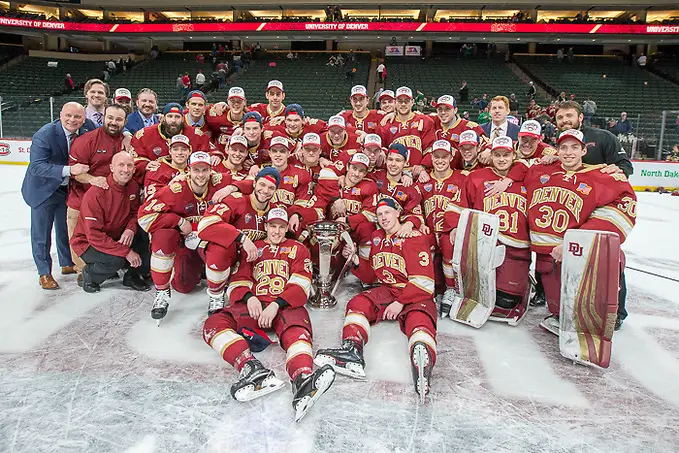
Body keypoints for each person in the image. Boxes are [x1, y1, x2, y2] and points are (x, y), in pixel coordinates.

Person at [202, 207, 335, 421]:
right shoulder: (255, 249)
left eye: (281, 227)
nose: (276, 231)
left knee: (298, 330)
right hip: (255, 305)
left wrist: (276, 304)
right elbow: (238, 280)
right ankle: (251, 369)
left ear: (286, 229)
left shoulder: (298, 249)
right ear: (266, 227)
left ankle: (303, 379)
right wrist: (249, 298)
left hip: (284, 305)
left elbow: (302, 283)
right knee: (214, 323)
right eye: (272, 226)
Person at [314, 197, 437, 402]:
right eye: (379, 215)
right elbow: (373, 275)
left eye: (387, 213)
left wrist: (401, 302)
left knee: (419, 320)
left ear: (398, 213)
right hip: (388, 290)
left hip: (414, 294)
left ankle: (422, 363)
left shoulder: (413, 237)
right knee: (358, 303)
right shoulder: (378, 237)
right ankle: (352, 351)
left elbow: (424, 282)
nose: (383, 218)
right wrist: (355, 259)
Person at [525, 129, 636, 333]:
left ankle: (608, 314)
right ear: (556, 150)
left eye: (575, 147)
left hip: (577, 256)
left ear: (584, 150)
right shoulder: (540, 171)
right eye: (563, 147)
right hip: (546, 259)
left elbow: (626, 203)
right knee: (559, 309)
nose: (568, 152)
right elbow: (513, 166)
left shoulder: (599, 176)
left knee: (586, 302)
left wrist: (576, 240)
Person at [138, 151, 242, 319]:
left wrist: (232, 187)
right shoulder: (176, 188)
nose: (200, 175)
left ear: (211, 171)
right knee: (165, 241)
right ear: (188, 171)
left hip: (209, 240)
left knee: (222, 247)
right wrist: (178, 221)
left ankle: (216, 296)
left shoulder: (221, 181)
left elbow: (253, 183)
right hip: (185, 242)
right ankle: (162, 293)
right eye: (196, 170)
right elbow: (144, 216)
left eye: (204, 170)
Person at [21, 102, 95, 290]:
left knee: (64, 228)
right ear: (60, 114)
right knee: (41, 233)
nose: (72, 120)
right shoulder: (44, 135)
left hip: (66, 189)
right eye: (68, 115)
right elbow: (36, 167)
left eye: (77, 117)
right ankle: (44, 272)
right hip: (43, 190)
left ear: (84, 118)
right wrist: (70, 170)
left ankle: (66, 262)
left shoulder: (88, 128)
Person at [70, 152, 150, 293]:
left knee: (146, 236)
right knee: (115, 260)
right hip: (88, 243)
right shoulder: (96, 194)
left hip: (117, 235)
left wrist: (130, 229)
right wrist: (126, 252)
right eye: (121, 165)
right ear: (111, 168)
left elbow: (134, 212)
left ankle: (132, 276)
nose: (125, 169)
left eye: (129, 165)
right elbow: (94, 235)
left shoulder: (133, 187)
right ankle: (89, 275)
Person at [66, 104, 127, 277]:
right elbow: (75, 172)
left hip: (109, 206)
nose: (114, 122)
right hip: (81, 200)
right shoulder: (86, 141)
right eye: (110, 118)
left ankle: (103, 267)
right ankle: (83, 272)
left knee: (103, 239)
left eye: (118, 119)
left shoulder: (126, 141)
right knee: (80, 239)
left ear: (125, 122)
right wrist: (93, 180)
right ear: (103, 117)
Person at [377, 86, 436, 178]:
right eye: (400, 101)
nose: (403, 104)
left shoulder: (425, 121)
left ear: (412, 102)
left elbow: (430, 148)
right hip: (394, 175)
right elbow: (382, 151)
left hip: (419, 174)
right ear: (395, 102)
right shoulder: (385, 124)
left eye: (406, 101)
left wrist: (423, 166)